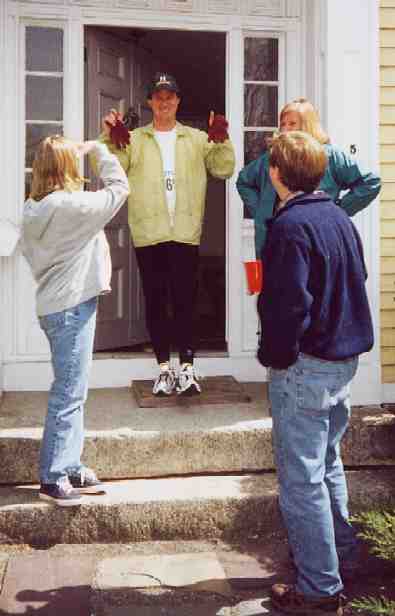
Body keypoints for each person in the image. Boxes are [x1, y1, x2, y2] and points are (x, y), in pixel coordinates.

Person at [257, 131, 374, 616]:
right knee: (327, 465)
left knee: (302, 478)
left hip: (306, 367)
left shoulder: (290, 226)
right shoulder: (337, 218)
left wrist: (277, 358)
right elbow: (356, 281)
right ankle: (341, 561)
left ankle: (321, 590)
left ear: (278, 175)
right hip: (341, 361)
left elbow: (287, 308)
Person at [100, 72, 235, 396]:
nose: (164, 101)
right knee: (157, 301)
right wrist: (108, 138)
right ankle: (163, 369)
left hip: (185, 232)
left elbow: (224, 168)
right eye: (158, 96)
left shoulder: (196, 138)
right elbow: (109, 170)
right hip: (149, 233)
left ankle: (187, 368)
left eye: (169, 95)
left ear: (178, 100)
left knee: (185, 301)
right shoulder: (135, 139)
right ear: (150, 102)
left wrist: (221, 139)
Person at [21, 136, 130, 506]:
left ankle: (70, 466)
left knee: (73, 389)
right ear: (67, 168)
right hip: (70, 307)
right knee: (68, 392)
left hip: (56, 306)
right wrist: (100, 151)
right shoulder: (70, 207)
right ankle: (52, 478)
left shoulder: (34, 207)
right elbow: (119, 189)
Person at [236, 97, 381, 258]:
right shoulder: (271, 157)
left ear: (308, 125)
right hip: (272, 238)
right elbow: (244, 181)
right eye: (282, 124)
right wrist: (261, 210)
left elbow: (371, 182)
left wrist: (340, 209)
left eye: (292, 124)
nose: (285, 129)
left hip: (316, 236)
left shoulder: (329, 156)